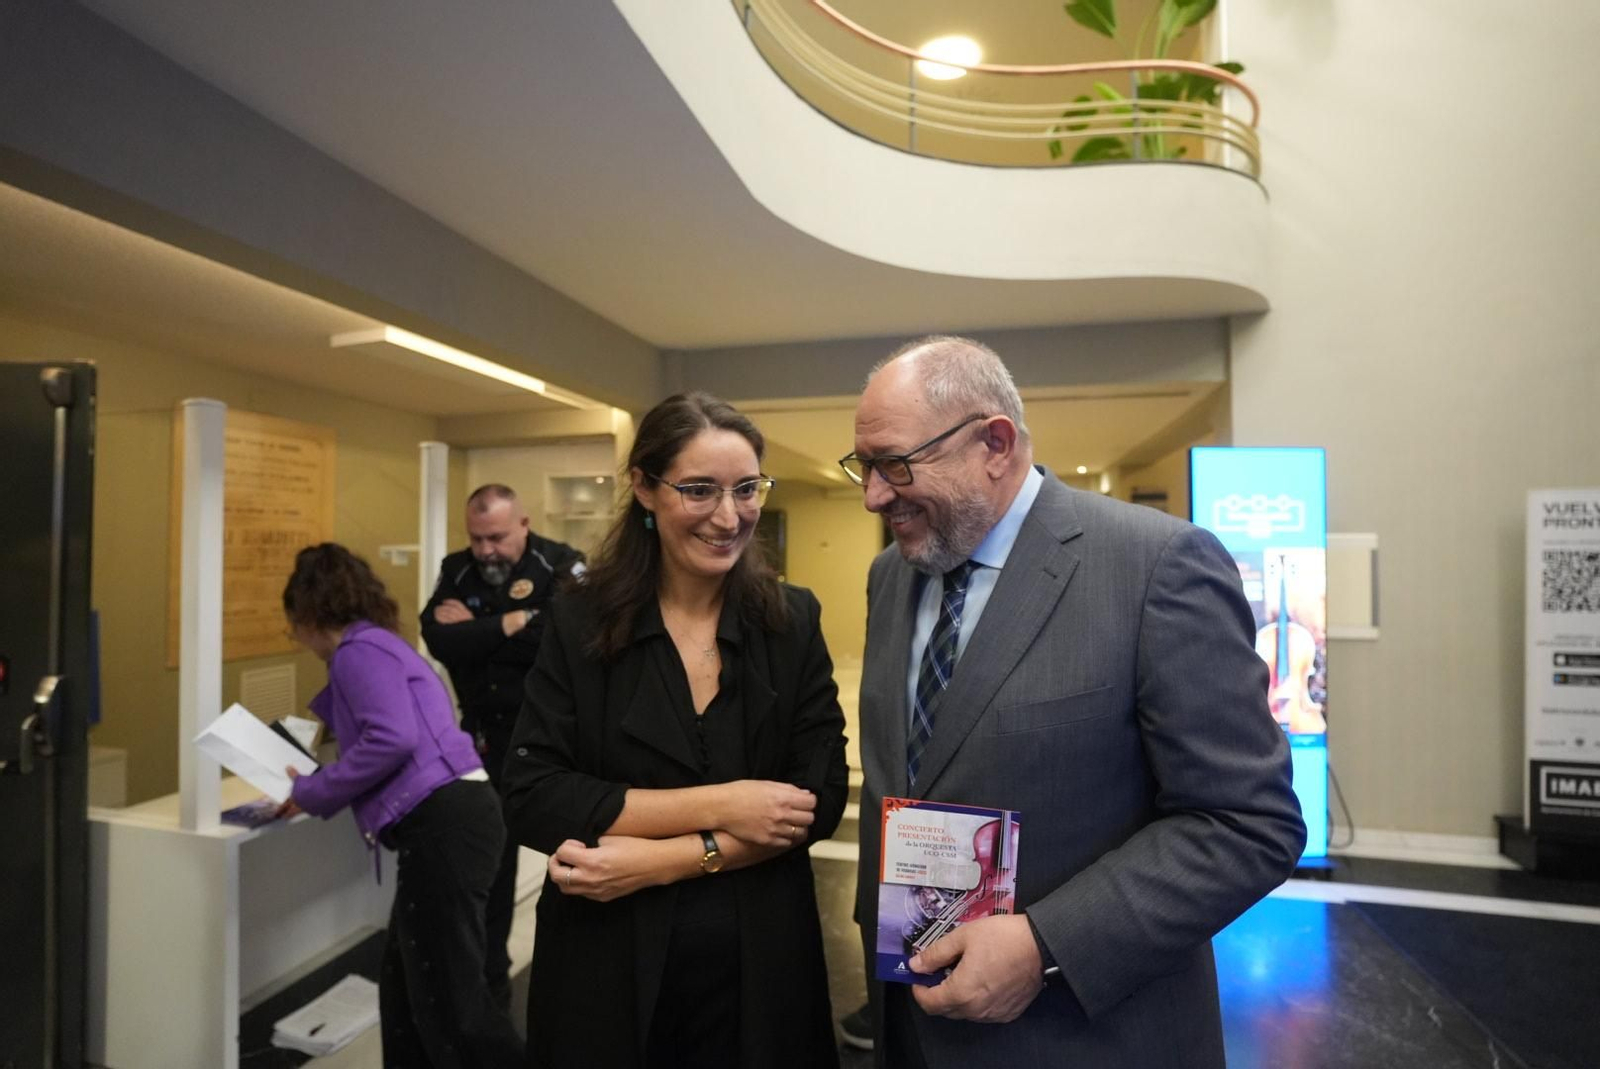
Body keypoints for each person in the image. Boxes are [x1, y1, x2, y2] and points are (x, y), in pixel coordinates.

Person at [841, 337, 1306, 1068]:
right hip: (918, 1028)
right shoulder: (891, 577)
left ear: (994, 443)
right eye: (863, 467)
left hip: (1085, 1038)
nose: (873, 494)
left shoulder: (1156, 566)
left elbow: (1248, 822)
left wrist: (1045, 945)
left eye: (895, 464)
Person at [501, 392, 849, 1068]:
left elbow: (819, 796)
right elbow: (535, 794)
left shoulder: (791, 620)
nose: (729, 516)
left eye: (746, 489)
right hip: (606, 969)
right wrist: (725, 805)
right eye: (699, 490)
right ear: (643, 488)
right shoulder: (579, 622)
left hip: (760, 969)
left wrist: (662, 859)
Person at [279, 543, 522, 1068]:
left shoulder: (357, 652)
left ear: (307, 612)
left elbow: (391, 738)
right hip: (458, 818)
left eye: (292, 626)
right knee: (409, 995)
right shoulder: (381, 645)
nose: (295, 638)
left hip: (443, 824)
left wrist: (314, 792)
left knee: (451, 1005)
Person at [421, 484, 584, 1005]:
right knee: (493, 857)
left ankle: (578, 970)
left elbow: (571, 641)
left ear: (523, 524)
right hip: (485, 735)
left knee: (572, 850)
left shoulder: (561, 563)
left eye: (496, 537)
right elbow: (438, 639)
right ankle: (491, 975)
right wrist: (511, 624)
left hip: (554, 735)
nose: (486, 549)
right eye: (477, 538)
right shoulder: (457, 569)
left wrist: (481, 631)